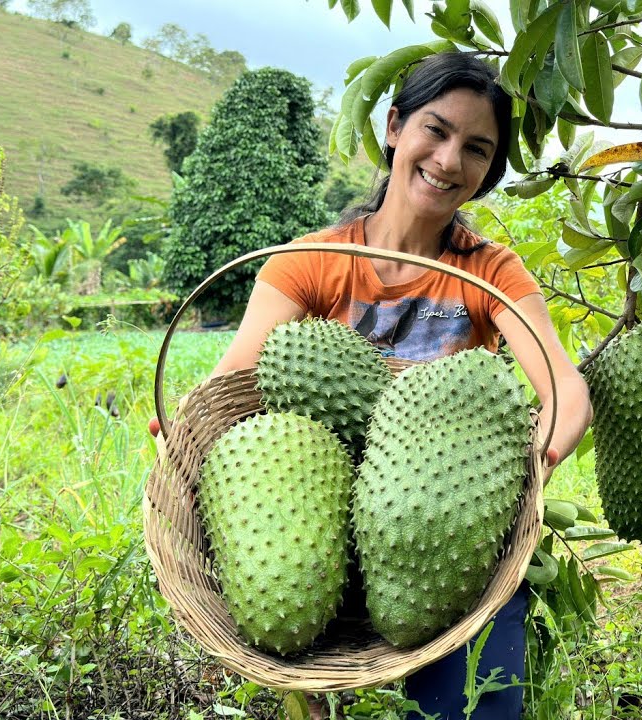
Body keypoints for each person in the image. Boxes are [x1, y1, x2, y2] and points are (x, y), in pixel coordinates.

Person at [152, 53, 592, 719]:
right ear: (394, 127)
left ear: (488, 171)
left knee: (480, 701)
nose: (449, 161)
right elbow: (233, 385)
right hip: (321, 539)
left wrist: (542, 456)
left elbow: (564, 385)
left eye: (476, 149)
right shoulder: (309, 261)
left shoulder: (490, 272)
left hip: (447, 541)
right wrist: (180, 430)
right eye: (436, 131)